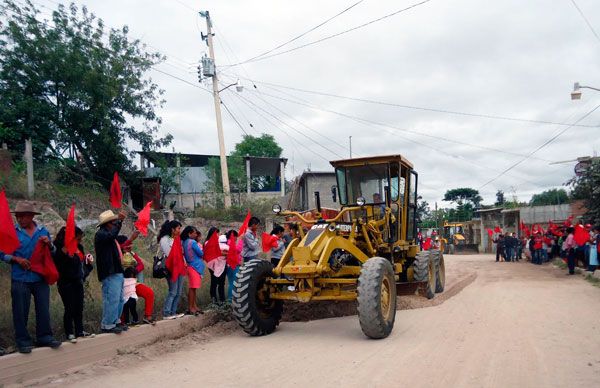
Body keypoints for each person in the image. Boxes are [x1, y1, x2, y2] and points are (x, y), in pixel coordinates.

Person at [0, 201, 61, 353]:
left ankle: (45, 337)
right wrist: (16, 259)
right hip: (20, 277)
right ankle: (23, 341)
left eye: (23, 216)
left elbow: (53, 252)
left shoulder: (42, 231)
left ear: (32, 216)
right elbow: (2, 253)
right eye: (18, 216)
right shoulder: (12, 232)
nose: (20, 219)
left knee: (43, 309)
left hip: (39, 277)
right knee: (20, 311)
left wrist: (50, 245)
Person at [53, 226, 94, 343]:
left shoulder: (79, 248)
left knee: (79, 307)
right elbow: (57, 263)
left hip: (78, 280)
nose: (79, 241)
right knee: (69, 307)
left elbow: (81, 266)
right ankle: (69, 333)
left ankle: (80, 331)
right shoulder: (60, 248)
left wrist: (88, 264)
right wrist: (65, 255)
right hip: (65, 282)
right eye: (78, 239)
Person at [95, 209, 128, 334]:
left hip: (116, 270)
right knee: (111, 298)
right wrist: (120, 222)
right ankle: (108, 323)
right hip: (109, 271)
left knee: (119, 298)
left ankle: (115, 320)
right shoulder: (101, 234)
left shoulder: (109, 236)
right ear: (107, 223)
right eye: (113, 222)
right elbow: (112, 235)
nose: (115, 224)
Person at [117, 235, 155, 324]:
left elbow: (141, 265)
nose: (130, 246)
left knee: (149, 293)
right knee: (123, 302)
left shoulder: (131, 253)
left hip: (133, 283)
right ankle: (122, 322)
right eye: (127, 244)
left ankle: (147, 316)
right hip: (121, 284)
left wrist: (133, 271)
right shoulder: (117, 255)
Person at [158, 220, 185, 319]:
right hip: (172, 268)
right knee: (173, 291)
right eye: (178, 228)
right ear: (172, 229)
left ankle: (173, 312)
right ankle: (166, 313)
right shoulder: (165, 239)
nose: (179, 230)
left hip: (180, 267)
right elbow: (170, 254)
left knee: (178, 292)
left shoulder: (176, 239)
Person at [181, 226, 205, 315]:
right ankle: (191, 307)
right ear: (189, 234)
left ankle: (194, 306)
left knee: (193, 288)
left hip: (190, 266)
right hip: (195, 267)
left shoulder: (184, 242)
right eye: (194, 233)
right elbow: (201, 253)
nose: (196, 234)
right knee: (192, 288)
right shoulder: (193, 242)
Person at [205, 227, 227, 306]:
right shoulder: (208, 243)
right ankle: (214, 300)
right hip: (213, 265)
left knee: (221, 283)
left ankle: (222, 300)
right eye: (217, 233)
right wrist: (227, 253)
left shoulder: (218, 242)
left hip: (222, 264)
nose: (218, 235)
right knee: (214, 282)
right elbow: (217, 252)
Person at [224, 229, 241, 303]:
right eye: (236, 236)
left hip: (231, 265)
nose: (236, 238)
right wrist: (241, 241)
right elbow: (238, 250)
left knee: (232, 282)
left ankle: (231, 299)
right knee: (233, 283)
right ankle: (231, 300)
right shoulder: (230, 242)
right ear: (232, 236)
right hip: (232, 265)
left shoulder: (228, 242)